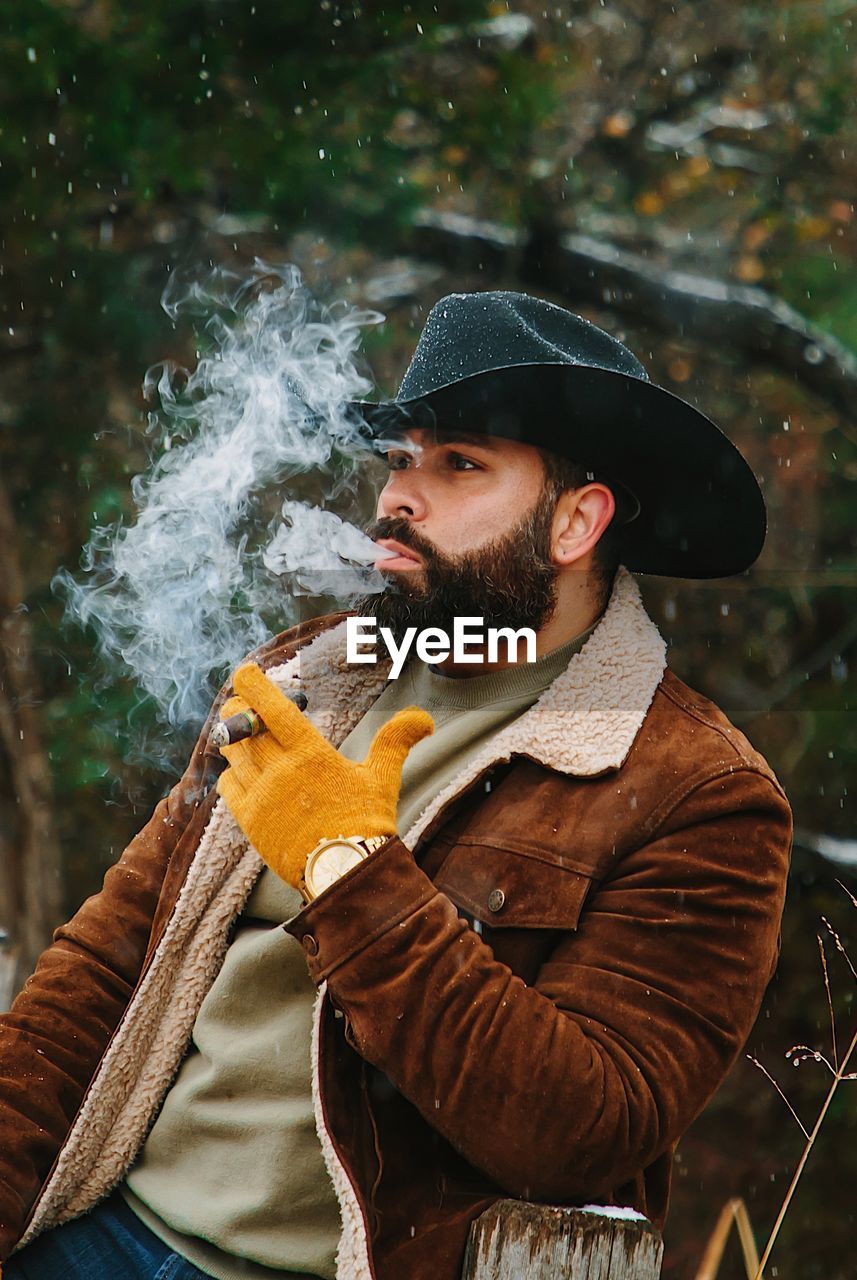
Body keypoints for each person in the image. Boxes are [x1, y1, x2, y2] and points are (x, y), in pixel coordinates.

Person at [0, 292, 792, 1280]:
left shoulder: (694, 788)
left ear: (576, 521)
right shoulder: (306, 678)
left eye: (458, 462)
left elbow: (578, 1130)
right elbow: (105, 972)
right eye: (397, 460)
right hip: (110, 1231)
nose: (394, 500)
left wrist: (351, 868)